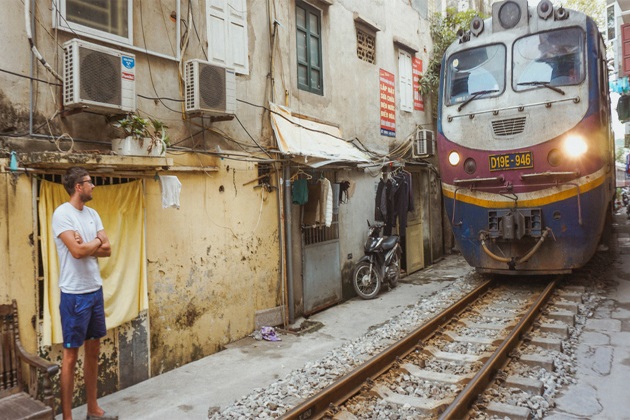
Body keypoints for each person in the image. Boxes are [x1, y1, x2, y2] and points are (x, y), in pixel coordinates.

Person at [52, 167, 115, 420]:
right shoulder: (62, 214)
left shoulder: (93, 214)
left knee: (94, 350)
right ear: (78, 186)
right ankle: (67, 417)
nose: (94, 186)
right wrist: (94, 244)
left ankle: (92, 408)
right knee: (70, 357)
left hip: (94, 291)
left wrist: (91, 243)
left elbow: (108, 249)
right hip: (74, 295)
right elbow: (76, 253)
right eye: (90, 182)